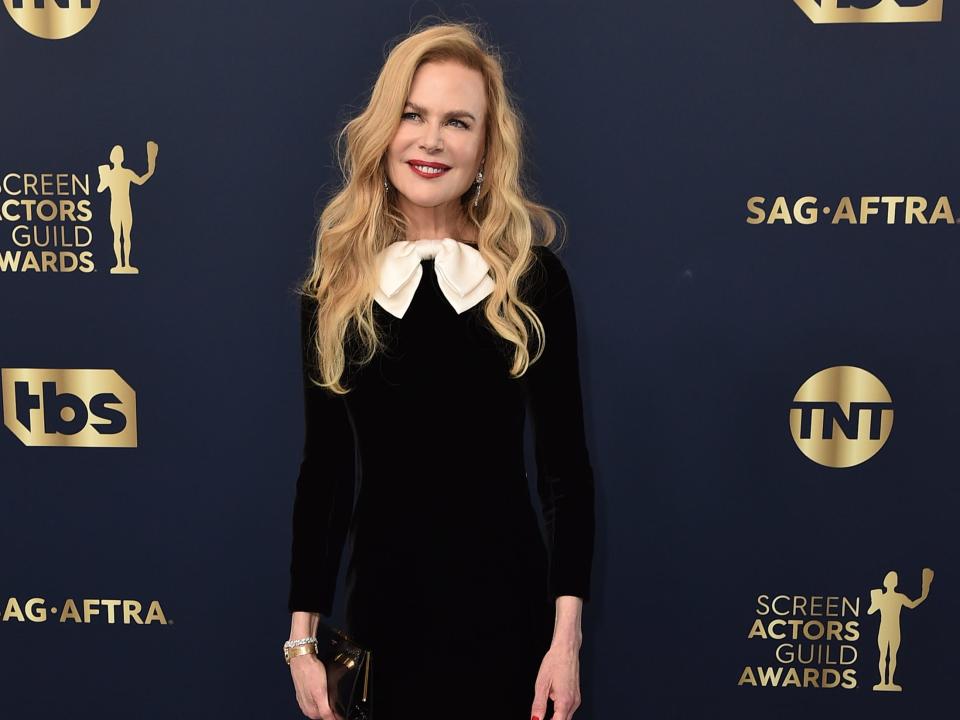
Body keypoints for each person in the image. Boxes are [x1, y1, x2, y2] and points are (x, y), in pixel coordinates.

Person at [286, 21, 596, 720]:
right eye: (413, 114)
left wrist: (565, 642)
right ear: (384, 132)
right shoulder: (332, 288)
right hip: (384, 621)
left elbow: (565, 474)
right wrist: (301, 640)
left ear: (485, 149)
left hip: (508, 624)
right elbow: (325, 473)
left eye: (458, 122)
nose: (432, 140)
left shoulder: (531, 281)